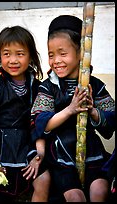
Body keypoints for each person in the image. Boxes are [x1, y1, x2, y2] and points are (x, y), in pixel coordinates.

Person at [30, 15, 115, 202]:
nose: (56, 60)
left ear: (81, 52)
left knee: (100, 190)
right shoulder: (48, 87)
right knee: (75, 197)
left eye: (62, 53)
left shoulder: (95, 85)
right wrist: (71, 109)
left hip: (92, 152)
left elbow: (110, 123)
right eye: (51, 54)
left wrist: (93, 111)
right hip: (60, 155)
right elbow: (42, 124)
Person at [0, 25, 50, 203]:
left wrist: (39, 156)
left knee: (44, 180)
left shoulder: (38, 88)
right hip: (0, 152)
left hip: (28, 149)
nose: (13, 60)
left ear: (31, 57)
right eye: (6, 54)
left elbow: (39, 123)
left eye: (20, 54)